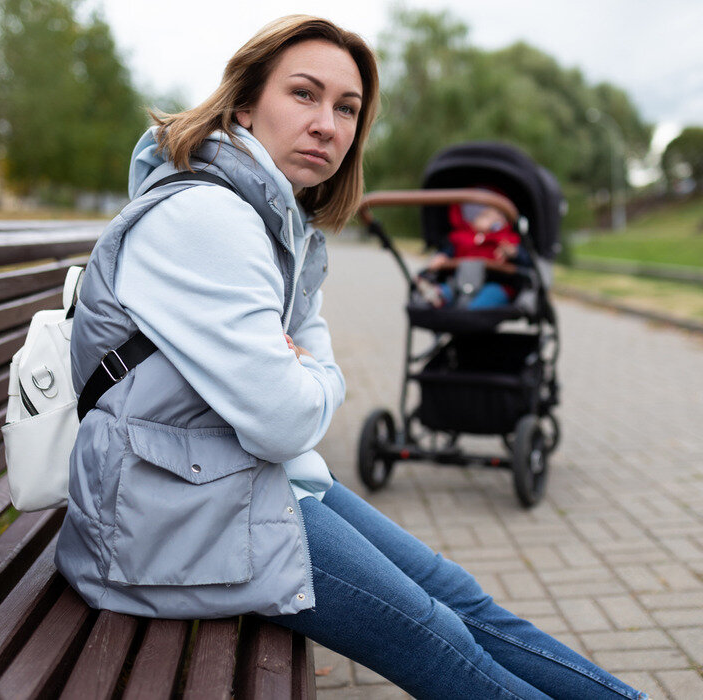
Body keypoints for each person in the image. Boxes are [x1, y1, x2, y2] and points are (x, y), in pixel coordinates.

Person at [55, 15, 648, 700]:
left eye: (347, 108)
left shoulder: (278, 220)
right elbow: (286, 419)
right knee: (442, 639)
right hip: (165, 520)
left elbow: (310, 372)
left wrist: (307, 370)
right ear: (245, 103)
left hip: (231, 481)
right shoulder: (207, 220)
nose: (328, 125)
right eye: (304, 95)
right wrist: (308, 372)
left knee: (463, 598)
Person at [418, 202, 529, 310]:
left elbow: (526, 262)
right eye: (485, 216)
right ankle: (436, 296)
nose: (494, 219)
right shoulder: (460, 237)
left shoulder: (507, 239)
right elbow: (446, 252)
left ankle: (471, 311)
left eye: (499, 216)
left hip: (494, 282)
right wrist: (440, 258)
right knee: (449, 288)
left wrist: (513, 253)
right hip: (460, 281)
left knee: (490, 295)